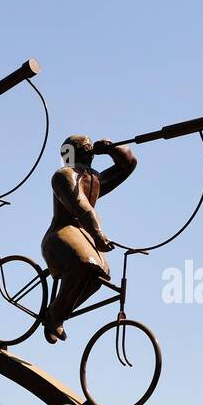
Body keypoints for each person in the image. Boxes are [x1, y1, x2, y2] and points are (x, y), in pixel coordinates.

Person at [40, 135, 137, 343]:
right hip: (61, 235)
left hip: (83, 235)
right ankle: (55, 314)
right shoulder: (64, 175)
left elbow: (128, 164)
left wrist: (112, 148)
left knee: (98, 277)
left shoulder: (93, 178)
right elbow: (80, 205)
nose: (90, 149)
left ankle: (59, 312)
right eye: (85, 147)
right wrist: (98, 235)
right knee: (85, 264)